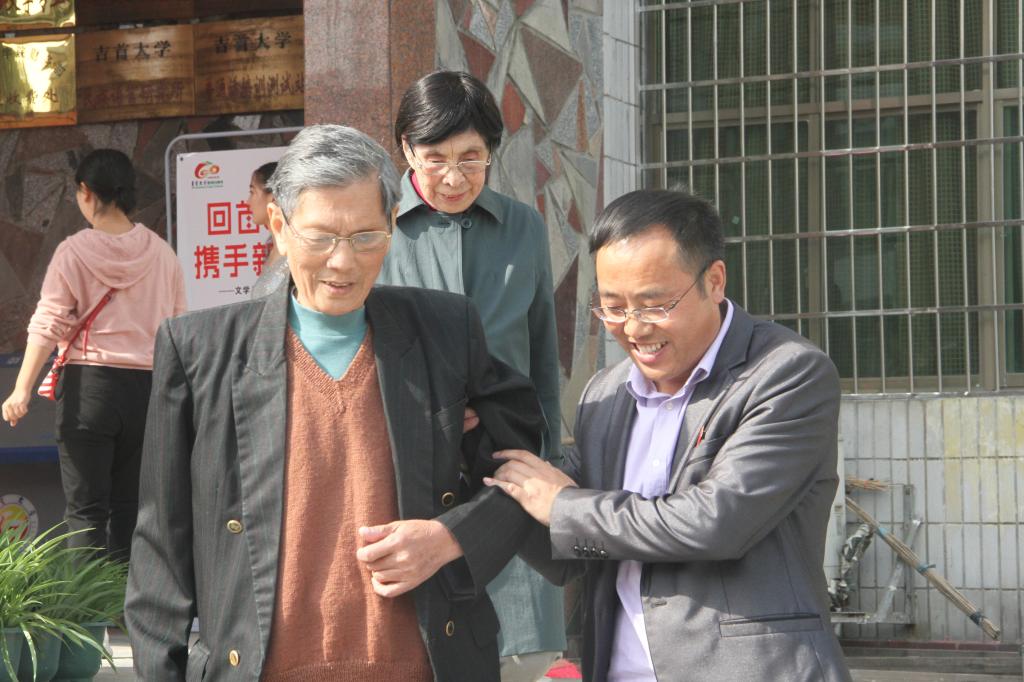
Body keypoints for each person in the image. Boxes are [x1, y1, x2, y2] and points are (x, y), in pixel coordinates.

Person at [125, 124, 547, 681]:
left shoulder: (447, 329)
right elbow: (161, 547)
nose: (343, 262)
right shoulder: (199, 350)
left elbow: (523, 471)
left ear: (391, 224)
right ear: (279, 226)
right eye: (321, 237)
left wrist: (452, 537)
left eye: (366, 236)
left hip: (422, 666)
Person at [488, 189, 853, 681]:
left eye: (654, 304)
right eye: (612, 307)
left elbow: (716, 520)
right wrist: (482, 453)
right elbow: (573, 543)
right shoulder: (605, 394)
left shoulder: (787, 374)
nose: (633, 329)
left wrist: (562, 506)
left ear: (714, 281)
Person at [377, 69, 565, 682]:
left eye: (471, 159)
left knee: (519, 652)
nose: (454, 178)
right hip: (404, 468)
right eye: (435, 159)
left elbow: (540, 358)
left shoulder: (524, 227)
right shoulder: (375, 229)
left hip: (503, 467)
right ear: (406, 149)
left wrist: (546, 461)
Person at [1, 149, 185, 560]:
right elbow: (177, 329)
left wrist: (21, 389)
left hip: (89, 388)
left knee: (85, 511)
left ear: (85, 192)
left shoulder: (73, 251)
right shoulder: (162, 253)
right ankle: (128, 598)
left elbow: (47, 321)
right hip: (146, 390)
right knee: (132, 508)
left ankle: (87, 602)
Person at [246, 161, 289, 298]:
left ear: (273, 198)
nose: (248, 202)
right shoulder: (270, 245)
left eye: (252, 192)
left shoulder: (296, 250)